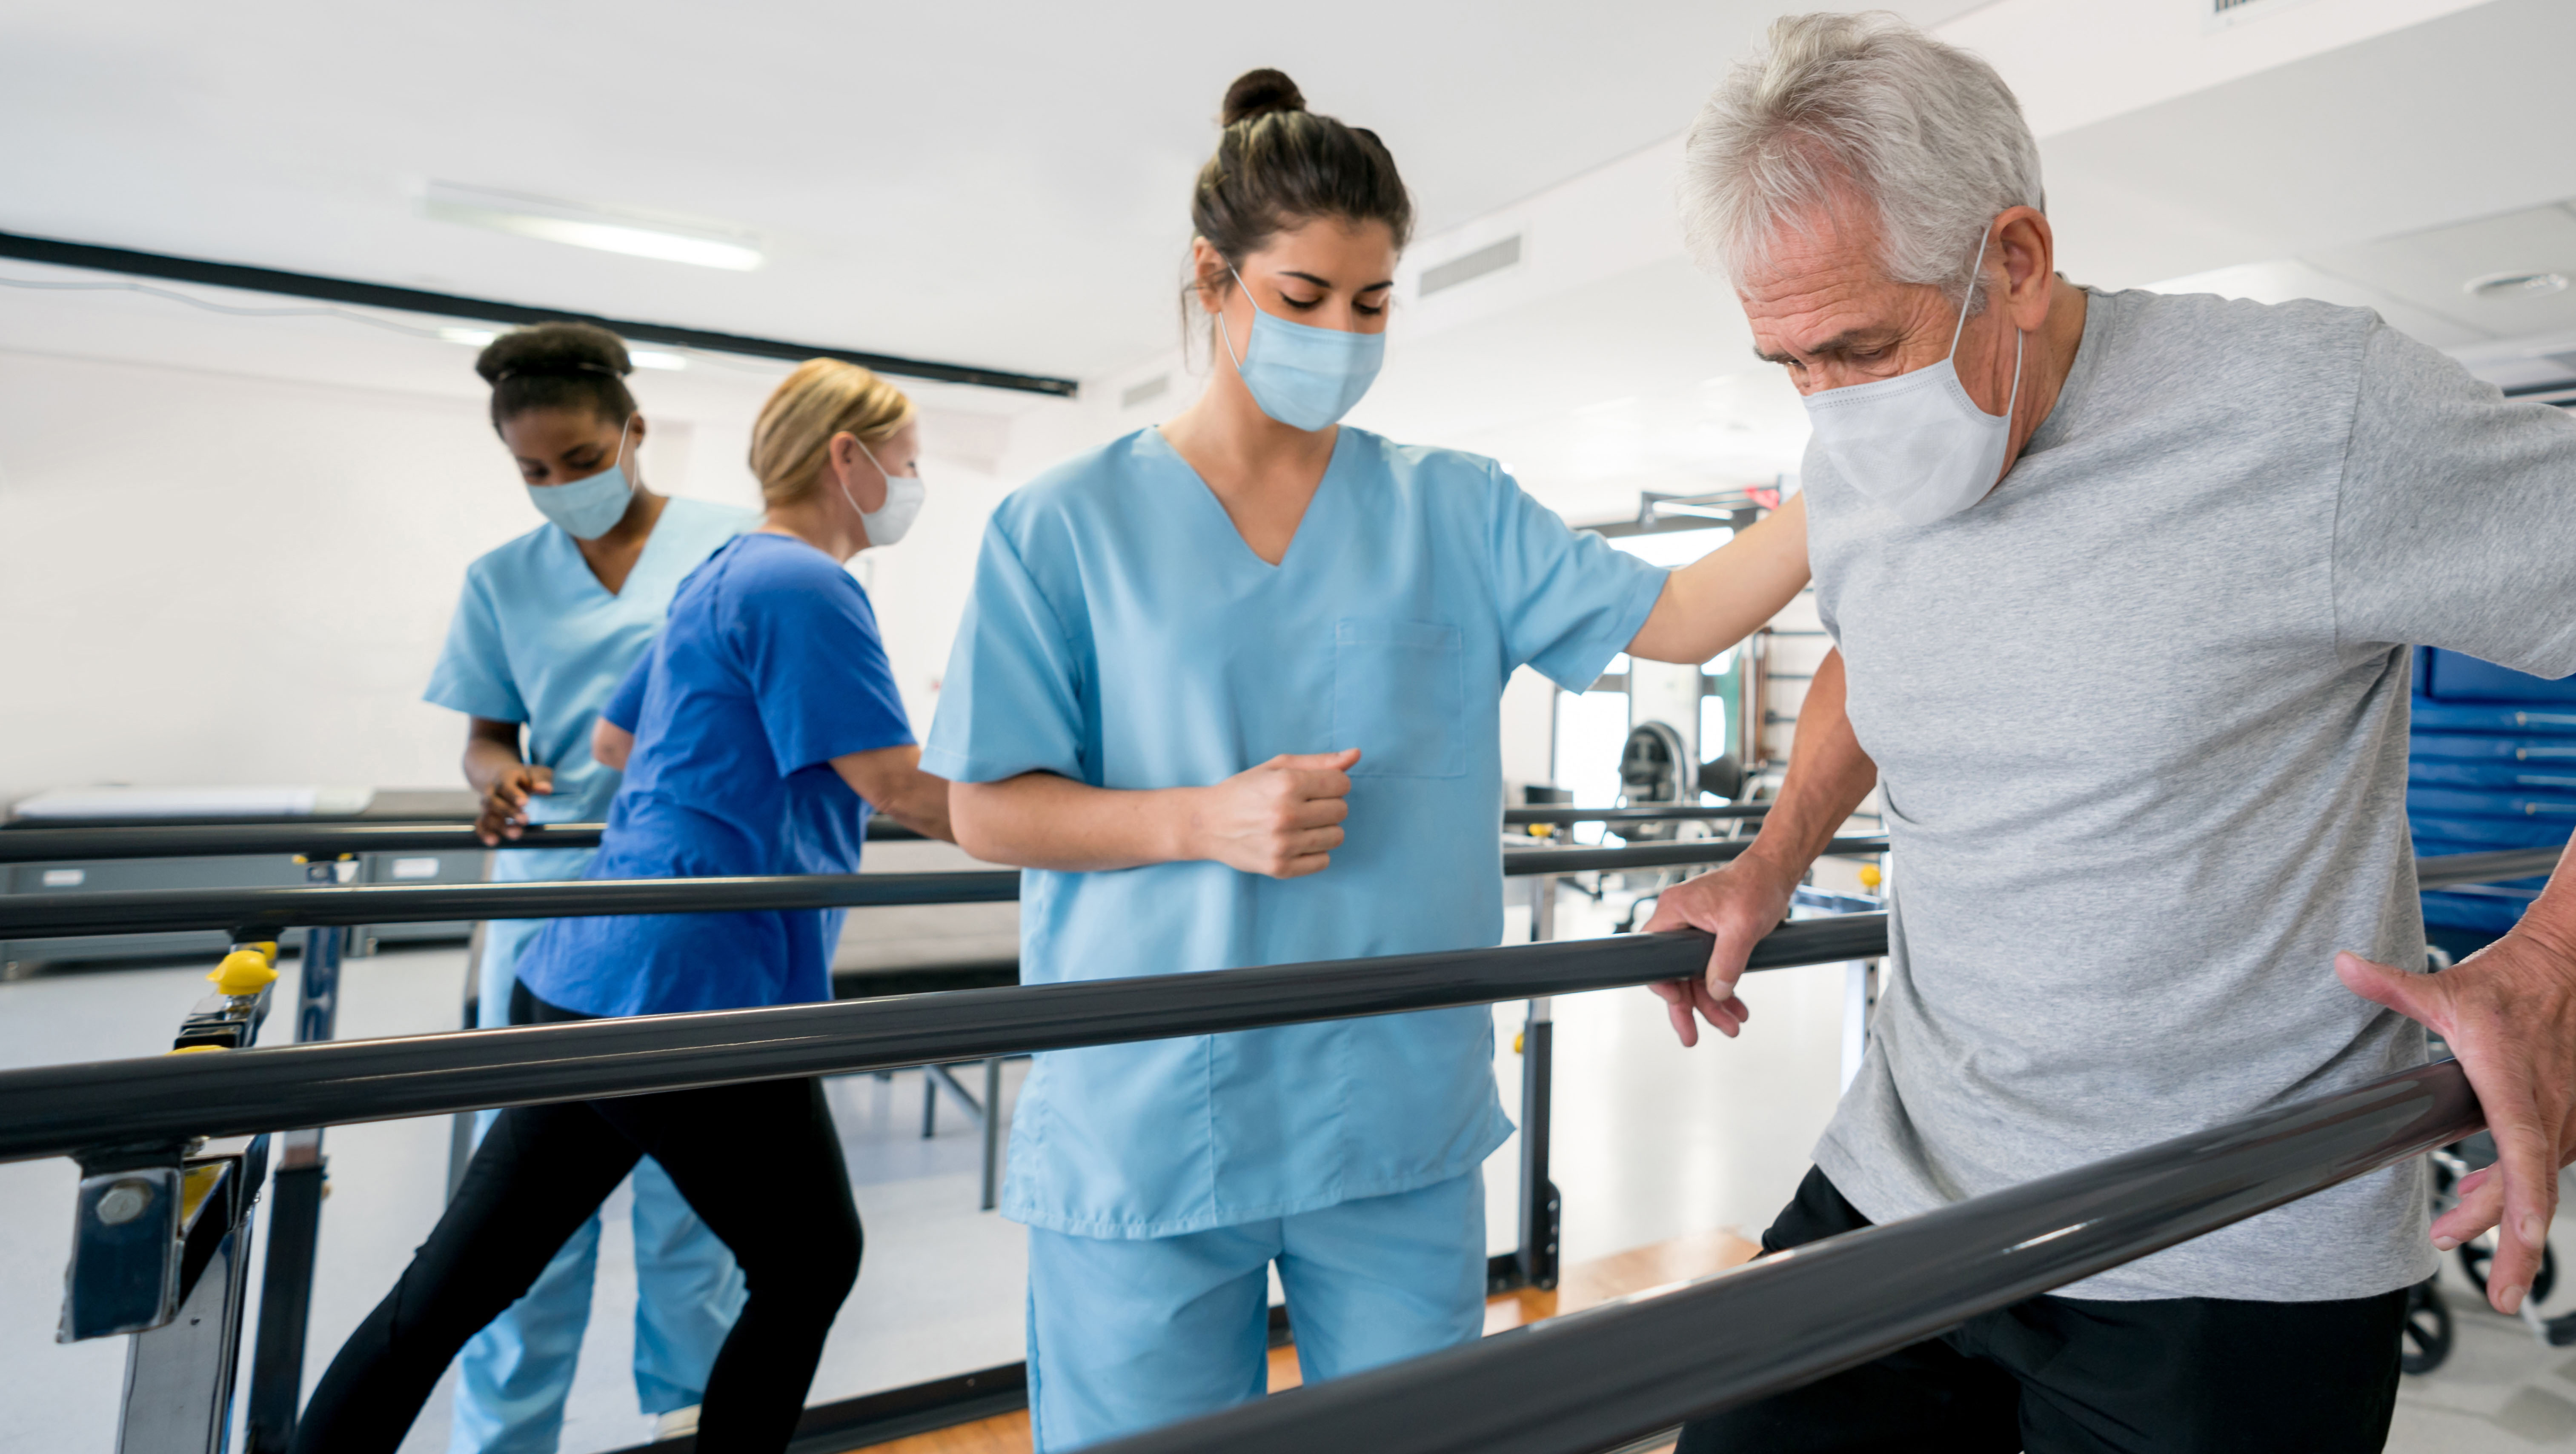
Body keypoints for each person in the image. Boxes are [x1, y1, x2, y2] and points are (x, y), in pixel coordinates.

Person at [1647, 16, 2576, 1453]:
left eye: (1856, 347)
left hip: (2226, 1237)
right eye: (1789, 363)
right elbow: (1873, 642)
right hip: (1905, 1180)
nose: (1830, 406)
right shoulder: (1851, 451)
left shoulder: (2302, 410)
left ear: (2012, 262)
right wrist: (1774, 853)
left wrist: (2573, 958)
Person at [926, 69, 1810, 1452]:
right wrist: (1194, 820)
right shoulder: (1065, 526)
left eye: (1371, 301)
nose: (1339, 331)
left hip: (1389, 1110)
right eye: (1301, 297)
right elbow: (985, 805)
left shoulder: (1450, 508)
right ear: (1213, 281)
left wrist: (1855, 473)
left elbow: (1683, 615)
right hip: (1147, 1114)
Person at [295, 359, 956, 1454]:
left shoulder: (717, 572)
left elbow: (612, 739)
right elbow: (895, 785)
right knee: (810, 1262)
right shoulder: (807, 584)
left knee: (458, 1286)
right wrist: (1116, 835)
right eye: (910, 462)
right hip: (694, 989)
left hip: (586, 972)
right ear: (851, 458)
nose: (912, 480)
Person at [421, 321, 750, 1452]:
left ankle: (690, 1428)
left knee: (694, 1214)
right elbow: (483, 735)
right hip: (547, 903)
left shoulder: (734, 546)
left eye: (579, 460)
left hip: (689, 904)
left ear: (635, 433)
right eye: (533, 473)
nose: (558, 487)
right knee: (524, 1227)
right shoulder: (500, 580)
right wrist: (495, 777)